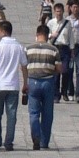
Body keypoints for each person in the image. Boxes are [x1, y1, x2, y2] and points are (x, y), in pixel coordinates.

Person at [0, 18, 26, 150]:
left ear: (3, 31)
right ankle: (9, 142)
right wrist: (26, 82)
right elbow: (24, 66)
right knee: (11, 115)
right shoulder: (19, 47)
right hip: (13, 86)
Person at [24, 22, 63, 150]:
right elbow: (58, 68)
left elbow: (23, 66)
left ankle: (35, 136)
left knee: (33, 112)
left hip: (33, 81)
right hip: (47, 82)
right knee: (47, 113)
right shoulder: (53, 49)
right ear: (47, 35)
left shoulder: (28, 48)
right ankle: (44, 142)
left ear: (37, 34)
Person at [53, 4, 75, 101]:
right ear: (54, 12)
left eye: (60, 11)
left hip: (65, 49)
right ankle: (56, 94)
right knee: (56, 73)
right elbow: (46, 34)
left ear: (63, 11)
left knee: (65, 71)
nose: (58, 13)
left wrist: (72, 49)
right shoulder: (51, 23)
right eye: (57, 11)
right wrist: (51, 35)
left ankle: (64, 92)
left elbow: (71, 37)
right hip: (55, 48)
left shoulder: (68, 23)